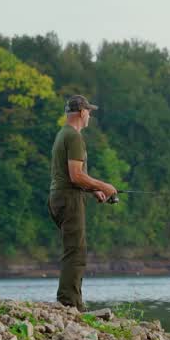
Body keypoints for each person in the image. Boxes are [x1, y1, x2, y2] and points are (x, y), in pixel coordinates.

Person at [48, 95, 117, 310]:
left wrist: (94, 189)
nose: (90, 116)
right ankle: (69, 304)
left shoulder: (64, 134)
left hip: (60, 197)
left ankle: (72, 302)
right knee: (76, 252)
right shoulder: (74, 137)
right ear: (82, 112)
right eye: (89, 112)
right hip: (69, 199)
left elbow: (73, 176)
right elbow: (76, 175)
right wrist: (105, 186)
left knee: (74, 249)